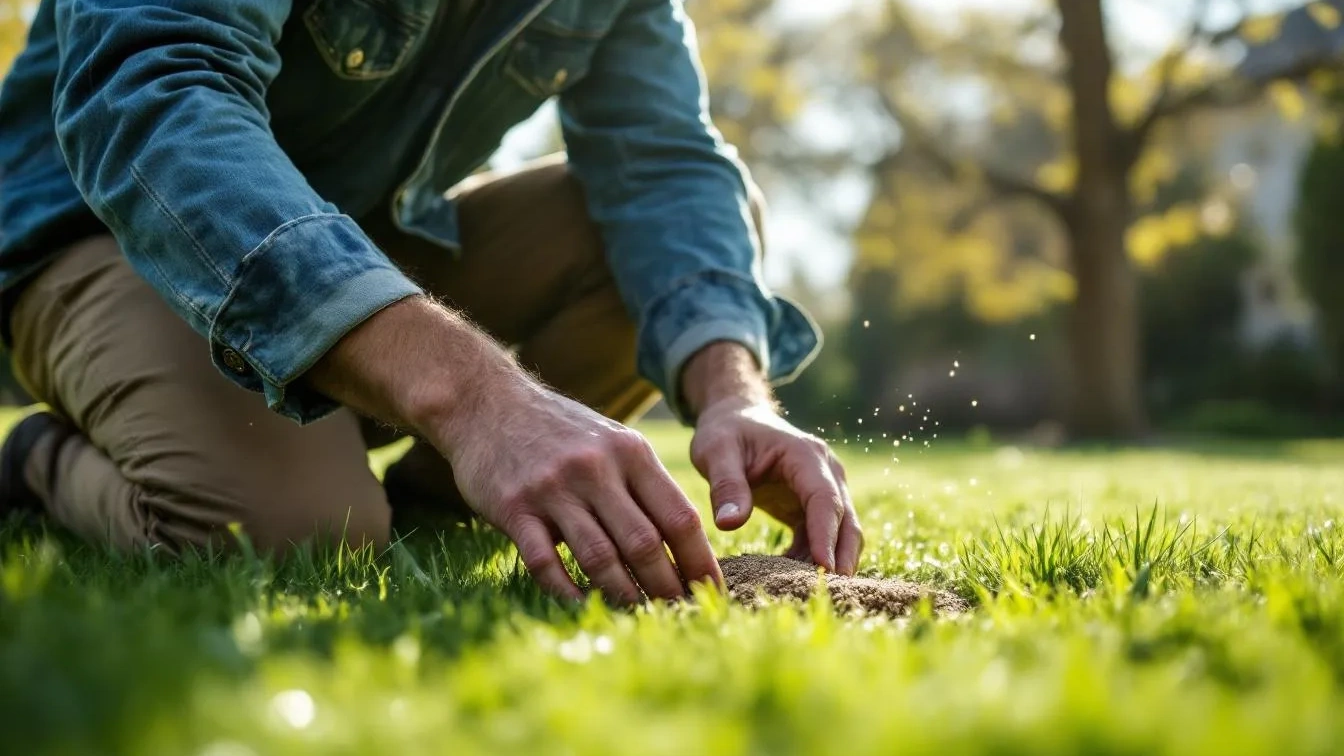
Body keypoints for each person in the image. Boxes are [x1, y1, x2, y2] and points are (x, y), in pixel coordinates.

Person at [0, 0, 862, 603]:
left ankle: (428, 514)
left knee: (649, 239)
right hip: (109, 233)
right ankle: (38, 465)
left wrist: (732, 392)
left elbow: (666, 163)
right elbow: (158, 98)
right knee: (300, 536)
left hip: (356, 242)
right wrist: (477, 400)